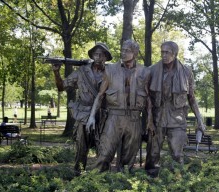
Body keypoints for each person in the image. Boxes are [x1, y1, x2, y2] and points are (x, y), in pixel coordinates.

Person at [86, 39, 154, 173]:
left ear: (135, 53)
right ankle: (95, 183)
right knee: (105, 153)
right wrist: (92, 117)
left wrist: (150, 121)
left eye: (127, 51)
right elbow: (100, 95)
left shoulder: (144, 72)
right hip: (114, 117)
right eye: (122, 50)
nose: (123, 53)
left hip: (134, 118)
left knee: (129, 157)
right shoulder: (110, 70)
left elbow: (148, 99)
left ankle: (123, 186)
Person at [145, 41, 205, 177]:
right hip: (157, 118)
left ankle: (177, 182)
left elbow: (191, 97)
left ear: (175, 54)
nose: (164, 55)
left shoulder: (186, 71)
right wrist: (149, 120)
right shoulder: (152, 70)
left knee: (178, 154)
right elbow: (147, 98)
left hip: (177, 119)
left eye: (167, 52)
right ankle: (149, 182)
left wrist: (199, 119)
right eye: (162, 52)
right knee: (152, 154)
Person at [52, 42, 112, 175]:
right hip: (84, 115)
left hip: (104, 116)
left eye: (101, 55)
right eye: (96, 54)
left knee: (105, 147)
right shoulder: (81, 72)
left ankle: (101, 175)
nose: (98, 57)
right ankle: (78, 173)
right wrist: (56, 72)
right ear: (92, 56)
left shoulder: (111, 73)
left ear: (106, 57)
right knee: (81, 146)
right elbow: (62, 87)